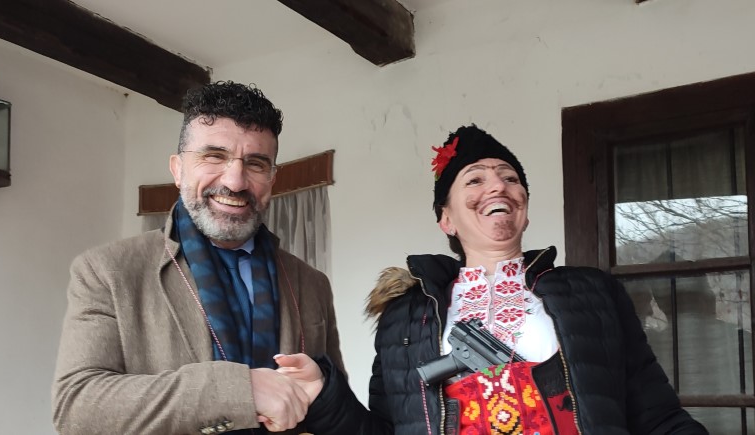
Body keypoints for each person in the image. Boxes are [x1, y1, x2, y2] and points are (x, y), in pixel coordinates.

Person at [280, 125, 709, 434]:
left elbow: (657, 416)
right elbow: (385, 429)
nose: (498, 187)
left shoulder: (592, 292)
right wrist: (324, 393)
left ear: (524, 206)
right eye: (475, 179)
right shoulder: (405, 315)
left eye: (510, 177)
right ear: (446, 219)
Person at [51, 81, 345, 435]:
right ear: (177, 169)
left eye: (255, 163)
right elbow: (76, 407)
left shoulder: (312, 284)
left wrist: (324, 394)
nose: (235, 182)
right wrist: (240, 391)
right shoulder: (106, 271)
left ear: (272, 178)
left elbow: (339, 407)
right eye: (214, 156)